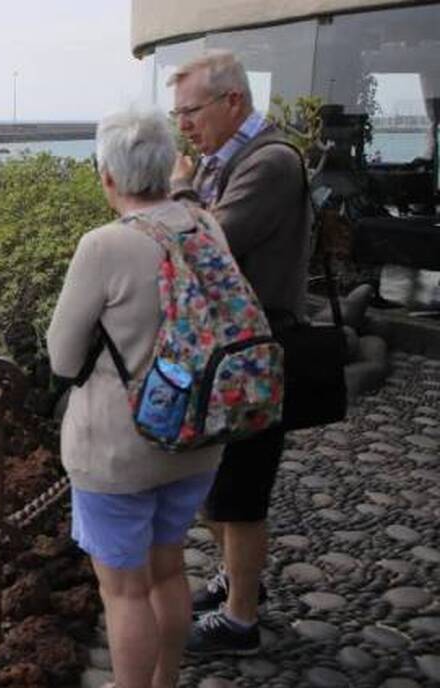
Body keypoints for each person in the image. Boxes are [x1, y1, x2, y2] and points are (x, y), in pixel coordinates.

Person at [47, 106, 228, 688]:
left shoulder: (104, 245)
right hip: (197, 435)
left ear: (108, 176)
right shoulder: (206, 226)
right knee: (169, 568)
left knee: (124, 591)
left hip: (118, 449)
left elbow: (62, 356)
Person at [168, 50, 311, 655]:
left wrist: (179, 187)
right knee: (217, 481)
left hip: (258, 352)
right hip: (232, 348)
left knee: (241, 488)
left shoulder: (270, 162)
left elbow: (210, 242)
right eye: (177, 114)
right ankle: (235, 580)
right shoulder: (228, 159)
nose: (184, 125)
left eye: (191, 111)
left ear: (233, 101)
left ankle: (241, 620)